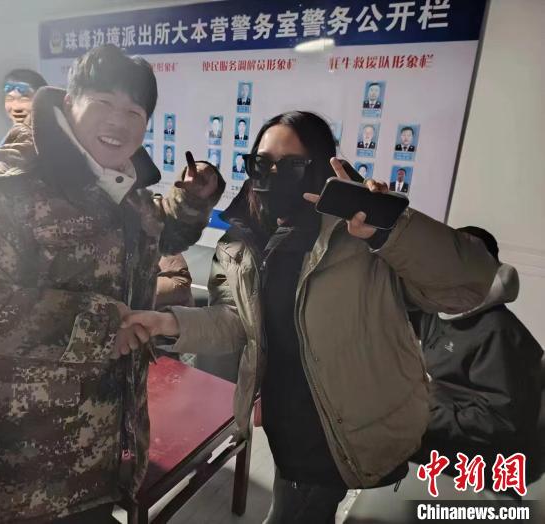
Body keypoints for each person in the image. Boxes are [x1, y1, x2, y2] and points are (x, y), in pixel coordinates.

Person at [123, 111, 497, 523]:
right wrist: (170, 323)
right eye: (263, 163)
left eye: (292, 166)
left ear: (319, 169)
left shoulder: (360, 235)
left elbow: (470, 284)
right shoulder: (242, 240)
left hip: (342, 427)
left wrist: (390, 227)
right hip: (286, 419)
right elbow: (236, 322)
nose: (273, 176)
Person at [0, 44, 223, 523]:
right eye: (103, 102)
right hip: (28, 471)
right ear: (69, 102)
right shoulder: (5, 188)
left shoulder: (122, 184)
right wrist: (101, 325)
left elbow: (152, 236)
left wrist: (190, 202)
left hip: (105, 447)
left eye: (134, 112)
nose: (119, 121)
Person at [416, 227, 543, 472]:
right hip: (436, 425)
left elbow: (499, 420)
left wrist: (419, 416)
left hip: (476, 457)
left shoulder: (498, 332)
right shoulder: (436, 313)